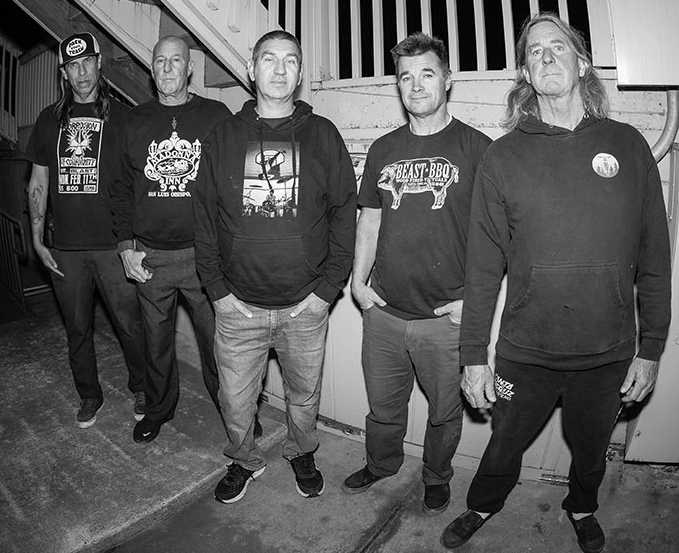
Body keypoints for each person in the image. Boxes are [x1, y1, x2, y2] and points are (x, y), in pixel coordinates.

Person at [439, 13, 672, 552]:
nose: (546, 55)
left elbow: (655, 257)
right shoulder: (503, 157)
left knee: (591, 448)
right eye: (534, 51)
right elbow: (481, 268)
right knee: (505, 442)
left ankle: (583, 507)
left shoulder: (629, 146)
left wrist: (652, 347)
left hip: (608, 352)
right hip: (526, 351)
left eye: (558, 47)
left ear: (581, 63)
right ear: (525, 72)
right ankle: (482, 504)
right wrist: (473, 355)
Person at [193, 30, 356, 504]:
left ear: (301, 73)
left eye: (290, 60)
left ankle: (301, 451)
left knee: (304, 398)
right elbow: (203, 217)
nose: (280, 69)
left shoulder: (322, 135)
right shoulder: (223, 136)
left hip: (304, 309)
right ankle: (244, 460)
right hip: (237, 308)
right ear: (251, 69)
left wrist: (326, 291)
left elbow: (346, 212)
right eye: (269, 59)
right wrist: (218, 292)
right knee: (236, 401)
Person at [341, 33, 491, 517]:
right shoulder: (384, 149)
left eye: (427, 73)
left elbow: (503, 236)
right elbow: (370, 216)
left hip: (445, 323)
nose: (416, 84)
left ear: (447, 80)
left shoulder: (479, 149)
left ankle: (436, 475)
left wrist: (477, 301)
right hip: (384, 314)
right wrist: (357, 282)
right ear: (398, 87)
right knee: (383, 408)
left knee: (445, 414)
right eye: (406, 76)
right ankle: (382, 465)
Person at [110, 36, 232, 444]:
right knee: (156, 344)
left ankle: (235, 411)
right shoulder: (133, 120)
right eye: (159, 61)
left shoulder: (216, 115)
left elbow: (231, 185)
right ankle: (158, 410)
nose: (166, 68)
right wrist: (126, 247)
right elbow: (121, 188)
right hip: (150, 257)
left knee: (218, 344)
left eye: (175, 60)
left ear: (189, 69)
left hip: (204, 256)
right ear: (151, 69)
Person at [25, 32, 145, 428]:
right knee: (77, 329)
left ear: (99, 63)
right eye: (72, 66)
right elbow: (38, 183)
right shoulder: (49, 120)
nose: (81, 73)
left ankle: (142, 387)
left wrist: (135, 239)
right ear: (64, 72)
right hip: (68, 250)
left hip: (114, 246)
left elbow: (138, 182)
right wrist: (37, 238)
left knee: (130, 325)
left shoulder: (124, 118)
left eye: (86, 63)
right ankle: (89, 395)